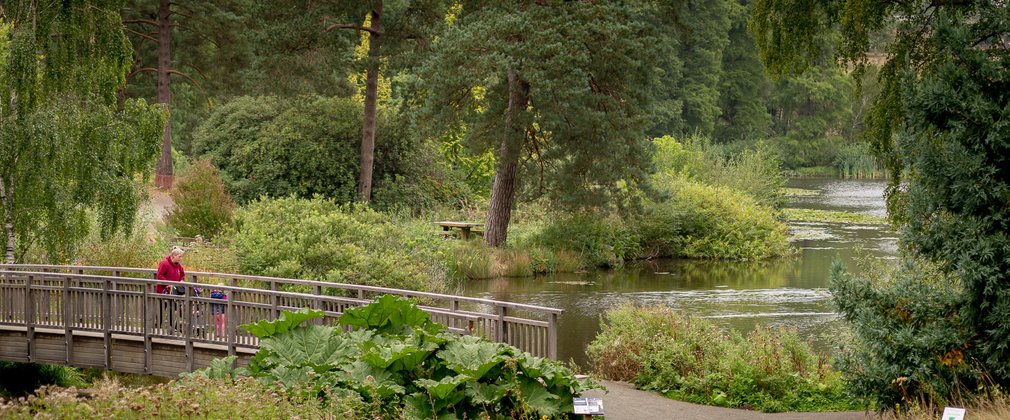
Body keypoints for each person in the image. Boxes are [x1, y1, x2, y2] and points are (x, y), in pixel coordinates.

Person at [156, 247, 186, 332]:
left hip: (174, 292)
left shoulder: (179, 265)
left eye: (181, 257)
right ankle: (158, 326)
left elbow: (182, 275)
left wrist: (181, 281)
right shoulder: (164, 263)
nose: (181, 258)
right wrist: (168, 284)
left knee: (173, 309)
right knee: (162, 309)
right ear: (174, 256)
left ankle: (172, 326)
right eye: (179, 256)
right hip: (163, 291)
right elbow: (160, 275)